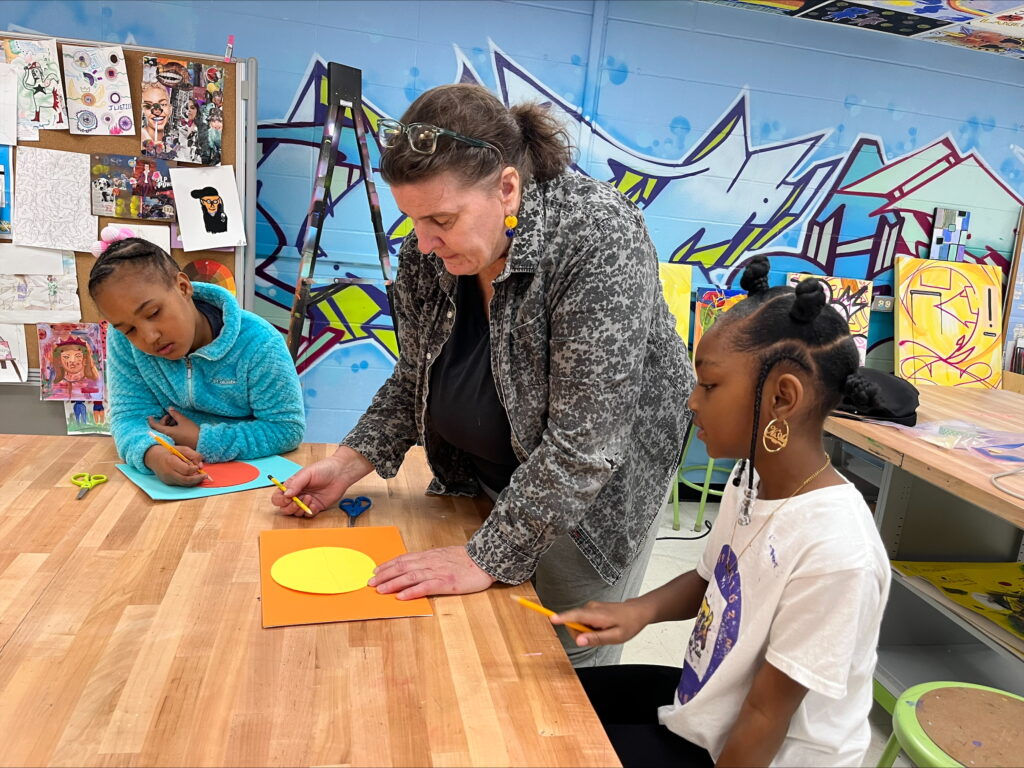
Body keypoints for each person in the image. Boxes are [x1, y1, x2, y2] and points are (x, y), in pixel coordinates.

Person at [270, 83, 693, 666]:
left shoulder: (597, 237)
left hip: (591, 502)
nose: (422, 242)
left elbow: (586, 445)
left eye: (442, 218)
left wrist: (485, 557)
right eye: (413, 220)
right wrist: (348, 464)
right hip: (487, 481)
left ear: (507, 187)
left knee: (561, 665)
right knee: (484, 656)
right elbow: (415, 378)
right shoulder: (428, 247)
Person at [553, 255, 891, 766]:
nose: (693, 401)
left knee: (551, 749)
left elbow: (765, 717)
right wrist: (635, 612)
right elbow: (714, 576)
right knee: (554, 703)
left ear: (782, 397)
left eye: (709, 385)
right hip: (709, 707)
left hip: (754, 748)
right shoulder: (752, 475)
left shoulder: (837, 553)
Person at [89, 237, 305, 486]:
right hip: (171, 486)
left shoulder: (259, 342)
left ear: (183, 287)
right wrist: (152, 454)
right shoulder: (122, 341)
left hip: (255, 483)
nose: (149, 337)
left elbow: (286, 429)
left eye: (153, 313)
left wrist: (202, 440)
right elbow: (130, 417)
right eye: (129, 329)